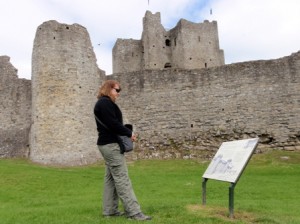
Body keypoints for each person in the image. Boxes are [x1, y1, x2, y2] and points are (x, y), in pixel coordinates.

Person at [94, 80, 151, 221]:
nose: (118, 93)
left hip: (107, 144)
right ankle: (134, 212)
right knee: (122, 178)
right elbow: (113, 124)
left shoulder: (104, 103)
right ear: (109, 89)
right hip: (111, 145)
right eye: (117, 90)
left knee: (110, 179)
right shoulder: (105, 103)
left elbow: (113, 123)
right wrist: (128, 133)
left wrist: (125, 131)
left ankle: (110, 211)